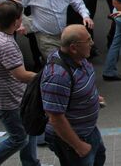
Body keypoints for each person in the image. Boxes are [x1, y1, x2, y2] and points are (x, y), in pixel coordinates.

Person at [41, 24, 106, 165]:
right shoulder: (58, 76)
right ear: (73, 47)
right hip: (73, 139)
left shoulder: (79, 58)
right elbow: (55, 118)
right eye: (88, 40)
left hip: (89, 130)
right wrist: (78, 146)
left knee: (99, 158)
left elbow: (80, 84)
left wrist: (92, 97)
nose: (92, 43)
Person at [0, 1, 41, 166]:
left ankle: (31, 163)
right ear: (15, 21)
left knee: (30, 129)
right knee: (19, 139)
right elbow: (21, 75)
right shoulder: (6, 45)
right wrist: (46, 77)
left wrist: (14, 31)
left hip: (8, 95)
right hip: (10, 100)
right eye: (21, 17)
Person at [21, 0, 94, 59]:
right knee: (55, 62)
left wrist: (85, 16)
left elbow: (78, 3)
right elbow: (14, 5)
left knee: (69, 59)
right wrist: (21, 23)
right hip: (45, 37)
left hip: (63, 35)